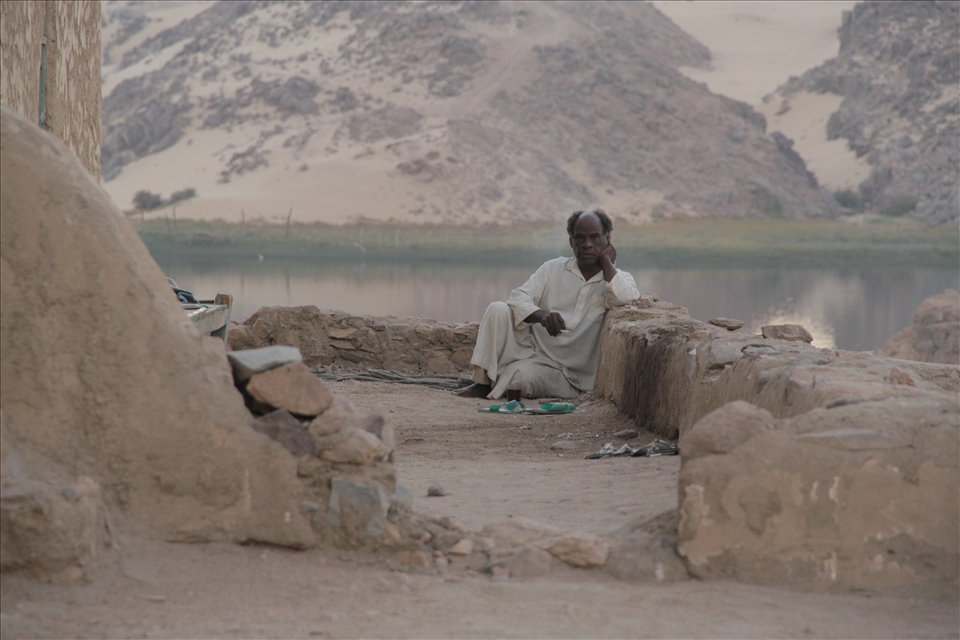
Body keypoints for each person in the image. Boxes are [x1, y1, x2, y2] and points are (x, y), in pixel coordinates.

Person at [456, 209, 640, 400]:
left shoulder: (618, 280)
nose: (586, 245)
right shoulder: (553, 268)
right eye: (580, 238)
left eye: (594, 238)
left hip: (567, 376)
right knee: (497, 309)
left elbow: (624, 299)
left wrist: (606, 261)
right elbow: (518, 298)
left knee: (519, 377)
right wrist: (542, 316)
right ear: (571, 242)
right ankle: (482, 382)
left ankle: (495, 377)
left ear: (607, 240)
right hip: (530, 352)